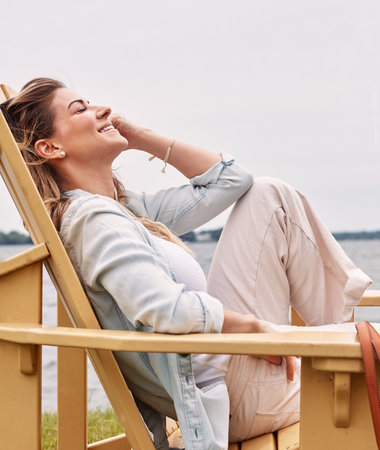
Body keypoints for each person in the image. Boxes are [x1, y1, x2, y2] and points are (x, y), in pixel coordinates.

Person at [0, 78, 372, 450]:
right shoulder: (95, 221)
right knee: (366, 366)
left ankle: (334, 344)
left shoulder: (127, 210)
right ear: (49, 147)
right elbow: (165, 309)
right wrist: (253, 328)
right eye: (80, 109)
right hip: (230, 395)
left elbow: (233, 180)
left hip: (234, 373)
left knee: (266, 194)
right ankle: (335, 349)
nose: (102, 110)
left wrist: (136, 135)